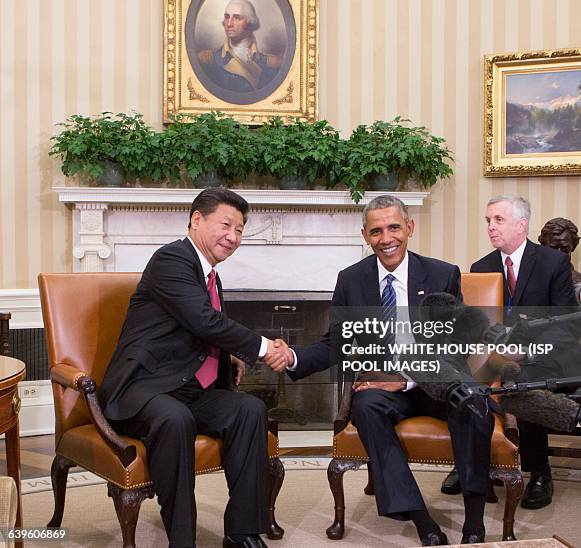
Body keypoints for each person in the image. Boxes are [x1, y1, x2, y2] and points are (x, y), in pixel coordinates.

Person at [282, 195, 494, 545]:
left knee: (472, 403)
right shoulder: (351, 280)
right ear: (365, 235)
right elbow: (337, 341)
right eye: (376, 230)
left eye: (394, 227)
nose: (386, 238)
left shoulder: (442, 274)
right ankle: (421, 519)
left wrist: (408, 379)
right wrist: (293, 357)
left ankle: (474, 522)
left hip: (436, 383)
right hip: (383, 388)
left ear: (409, 228)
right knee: (366, 407)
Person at [99, 188, 291, 548]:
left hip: (188, 387)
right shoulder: (171, 259)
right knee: (176, 420)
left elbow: (198, 326)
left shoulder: (211, 275)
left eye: (240, 230)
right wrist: (263, 348)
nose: (233, 237)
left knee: (249, 409)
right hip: (146, 386)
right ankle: (182, 540)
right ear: (196, 219)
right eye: (225, 225)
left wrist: (228, 352)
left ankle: (242, 532)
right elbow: (202, 320)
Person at [441, 195, 578, 510]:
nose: (490, 227)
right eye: (488, 221)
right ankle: (471, 463)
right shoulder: (481, 267)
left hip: (547, 353)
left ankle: (539, 471)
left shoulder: (553, 263)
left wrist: (526, 350)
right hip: (497, 352)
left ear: (522, 225)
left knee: (523, 379)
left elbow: (567, 324)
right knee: (464, 375)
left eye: (498, 220)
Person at [197, 0, 282, 93]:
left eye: (236, 18)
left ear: (249, 23)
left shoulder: (273, 64)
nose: (229, 24)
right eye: (227, 17)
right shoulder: (208, 60)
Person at [538, 217, 581, 304]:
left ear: (573, 247)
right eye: (553, 248)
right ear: (543, 246)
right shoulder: (529, 279)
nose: (559, 255)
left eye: (564, 249)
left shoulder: (579, 283)